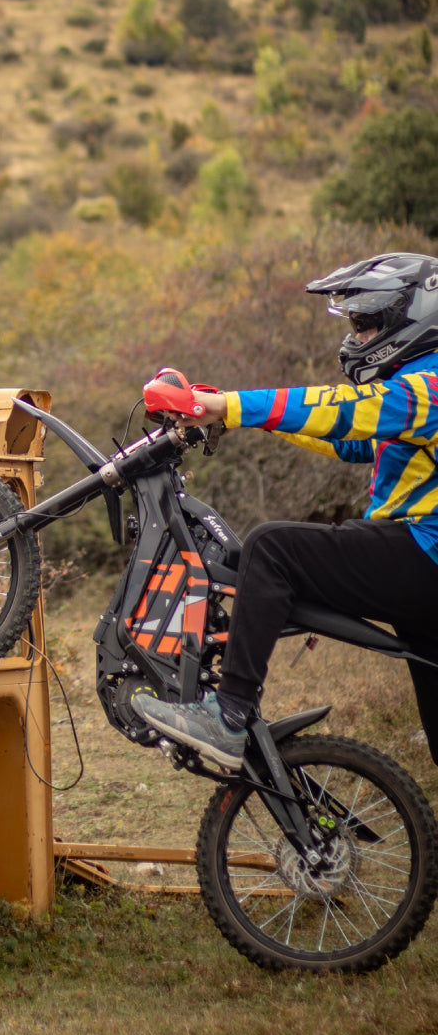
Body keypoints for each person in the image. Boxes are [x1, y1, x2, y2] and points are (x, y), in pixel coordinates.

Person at [133, 252, 438, 769]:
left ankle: (228, 716)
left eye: (364, 325)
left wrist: (231, 405)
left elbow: (344, 412)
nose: (354, 339)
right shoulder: (413, 393)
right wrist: (248, 419)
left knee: (272, 548)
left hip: (422, 558)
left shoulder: (428, 387)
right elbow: (352, 443)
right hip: (419, 570)